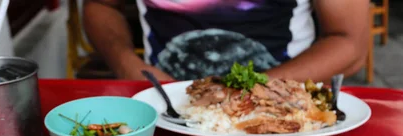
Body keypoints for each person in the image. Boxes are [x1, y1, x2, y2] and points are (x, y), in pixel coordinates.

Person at [83, 0, 369, 82]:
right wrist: (125, 63)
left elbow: (350, 42)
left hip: (284, 99)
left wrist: (258, 88)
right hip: (163, 100)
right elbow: (102, 5)